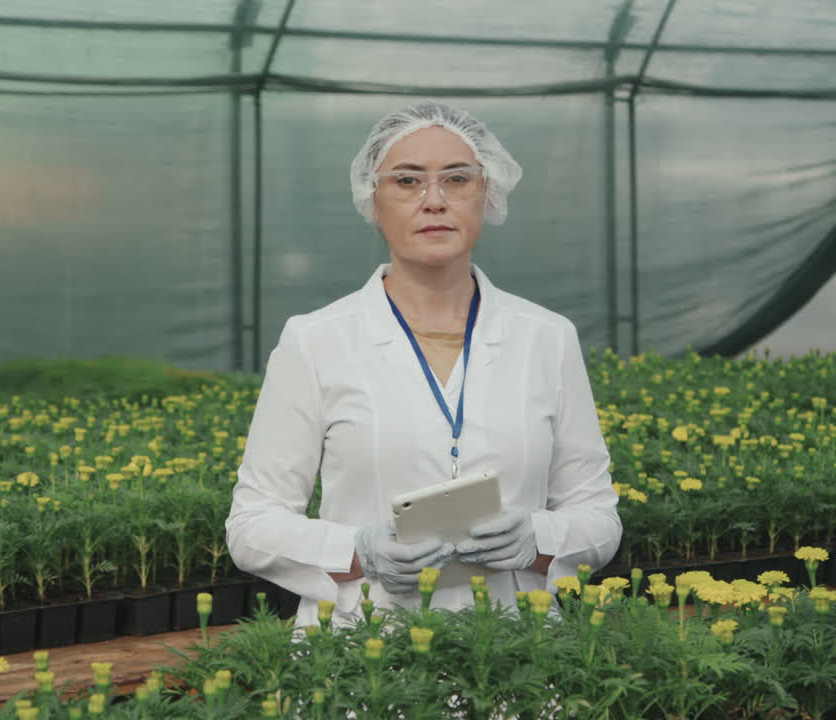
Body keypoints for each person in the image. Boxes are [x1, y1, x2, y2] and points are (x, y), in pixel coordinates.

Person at [225, 100, 621, 628]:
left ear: (488, 192)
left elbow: (597, 513)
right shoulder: (315, 340)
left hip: (515, 649)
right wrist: (357, 549)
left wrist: (539, 539)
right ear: (373, 198)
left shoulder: (547, 338)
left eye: (457, 179)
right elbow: (251, 524)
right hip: (363, 648)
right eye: (407, 181)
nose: (434, 201)